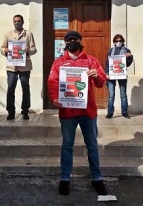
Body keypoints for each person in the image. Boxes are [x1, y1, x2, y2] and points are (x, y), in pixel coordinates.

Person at [47, 30, 108, 196]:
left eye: (75, 39)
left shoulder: (91, 61)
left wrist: (97, 75)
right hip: (67, 111)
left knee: (92, 146)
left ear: (80, 41)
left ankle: (97, 178)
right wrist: (54, 98)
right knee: (67, 146)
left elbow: (101, 82)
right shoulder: (59, 62)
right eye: (69, 40)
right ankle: (65, 179)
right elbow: (52, 81)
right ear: (65, 43)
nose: (72, 42)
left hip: (88, 111)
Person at [0, 14, 37, 120]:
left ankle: (25, 111)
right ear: (13, 22)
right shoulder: (8, 34)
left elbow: (34, 49)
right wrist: (5, 51)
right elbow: (2, 48)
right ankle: (11, 112)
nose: (17, 23)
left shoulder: (28, 34)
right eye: (15, 21)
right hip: (12, 67)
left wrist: (28, 51)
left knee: (25, 88)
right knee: (11, 88)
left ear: (23, 22)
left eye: (19, 21)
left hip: (25, 66)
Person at [105, 34, 133, 119]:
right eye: (116, 41)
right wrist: (106, 73)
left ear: (123, 41)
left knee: (123, 94)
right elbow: (107, 62)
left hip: (122, 74)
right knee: (111, 95)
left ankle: (124, 112)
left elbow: (127, 64)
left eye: (120, 41)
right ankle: (110, 113)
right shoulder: (111, 50)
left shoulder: (126, 50)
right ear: (114, 42)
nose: (118, 42)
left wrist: (129, 57)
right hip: (111, 74)